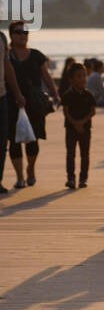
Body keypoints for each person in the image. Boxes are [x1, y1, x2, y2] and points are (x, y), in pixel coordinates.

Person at [6, 20, 61, 188]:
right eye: (19, 32)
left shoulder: (36, 55)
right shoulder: (6, 55)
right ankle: (20, 176)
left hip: (34, 103)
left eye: (26, 32)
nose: (23, 35)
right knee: (14, 140)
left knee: (33, 139)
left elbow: (46, 77)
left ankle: (30, 169)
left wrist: (55, 94)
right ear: (11, 34)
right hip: (11, 102)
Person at [60, 62, 96, 189]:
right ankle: (71, 178)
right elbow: (66, 111)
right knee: (71, 153)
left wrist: (82, 122)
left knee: (85, 154)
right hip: (71, 128)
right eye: (79, 76)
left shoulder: (89, 95)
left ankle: (83, 179)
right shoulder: (67, 95)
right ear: (71, 79)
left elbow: (93, 112)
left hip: (85, 129)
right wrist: (75, 123)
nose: (83, 79)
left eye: (84, 75)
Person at [0, 27, 27, 194]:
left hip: (1, 96)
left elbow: (7, 67)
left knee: (2, 141)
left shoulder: (1, 38)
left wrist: (17, 93)